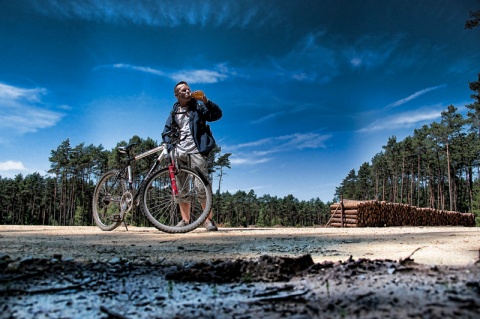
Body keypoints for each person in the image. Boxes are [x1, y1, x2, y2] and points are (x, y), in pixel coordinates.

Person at [162, 81, 223, 231]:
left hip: (197, 151)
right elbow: (166, 133)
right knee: (181, 188)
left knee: (201, 186)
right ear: (177, 95)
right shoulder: (174, 112)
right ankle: (185, 220)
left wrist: (206, 101)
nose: (188, 91)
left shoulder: (198, 108)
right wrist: (170, 148)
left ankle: (207, 220)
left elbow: (217, 115)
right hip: (179, 153)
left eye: (188, 89)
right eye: (184, 90)